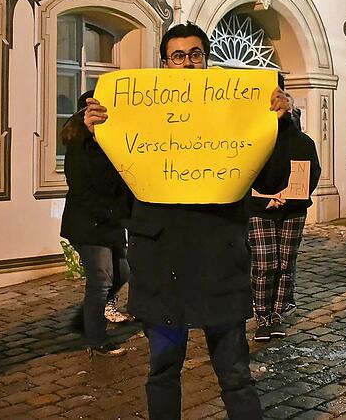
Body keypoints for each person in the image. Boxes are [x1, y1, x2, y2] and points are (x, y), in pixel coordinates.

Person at [84, 23, 292, 420]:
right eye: (178, 56)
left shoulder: (236, 109)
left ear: (206, 60)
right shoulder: (136, 113)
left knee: (235, 373)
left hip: (219, 258)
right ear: (165, 64)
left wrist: (279, 125)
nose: (187, 63)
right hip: (161, 262)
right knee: (163, 371)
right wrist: (96, 138)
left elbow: (271, 180)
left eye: (195, 54)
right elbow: (107, 190)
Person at [60, 90, 133, 357]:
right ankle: (96, 339)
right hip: (89, 223)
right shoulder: (79, 145)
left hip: (110, 222)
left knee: (122, 272)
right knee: (101, 281)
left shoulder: (112, 142)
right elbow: (87, 185)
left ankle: (84, 320)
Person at [248, 88, 321, 341]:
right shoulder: (254, 138)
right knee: (264, 263)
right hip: (260, 209)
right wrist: (262, 200)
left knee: (285, 263)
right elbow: (242, 175)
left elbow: (311, 173)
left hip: (292, 210)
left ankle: (277, 314)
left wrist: (290, 196)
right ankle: (262, 315)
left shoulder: (302, 141)